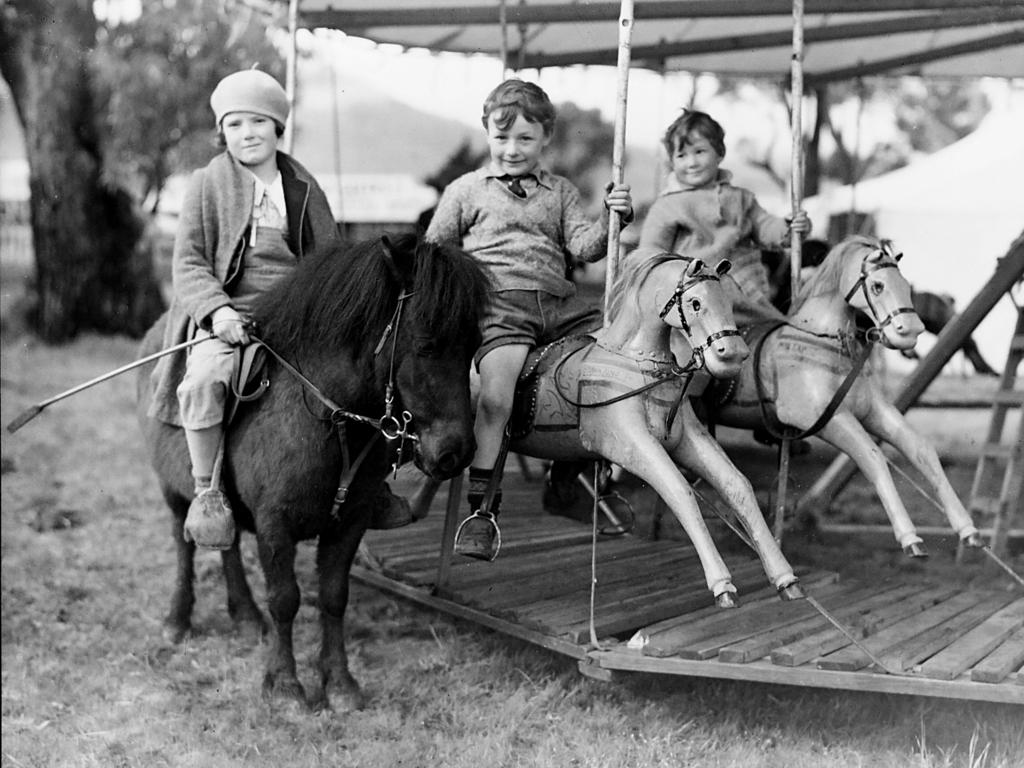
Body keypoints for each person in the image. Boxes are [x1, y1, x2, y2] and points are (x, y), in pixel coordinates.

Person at [147, 69, 407, 549]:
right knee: (204, 381)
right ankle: (208, 493)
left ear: (278, 128)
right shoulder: (207, 184)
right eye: (235, 125)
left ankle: (372, 485)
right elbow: (188, 263)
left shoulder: (303, 186)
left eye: (259, 123)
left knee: (370, 373)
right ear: (222, 131)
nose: (248, 134)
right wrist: (219, 314)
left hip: (298, 316)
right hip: (229, 313)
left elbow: (329, 259)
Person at [425, 78, 633, 561]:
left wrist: (610, 218)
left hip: (559, 308)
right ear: (486, 135)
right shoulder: (466, 191)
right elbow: (434, 251)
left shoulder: (559, 191)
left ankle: (572, 476)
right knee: (497, 397)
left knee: (605, 371)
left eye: (524, 138)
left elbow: (582, 246)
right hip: (498, 309)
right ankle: (480, 509)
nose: (512, 149)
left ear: (546, 138)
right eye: (502, 138)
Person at [638, 109, 811, 326]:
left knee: (777, 331)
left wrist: (789, 226)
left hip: (748, 295)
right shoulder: (667, 206)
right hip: (697, 297)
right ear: (672, 162)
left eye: (700, 152)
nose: (691, 163)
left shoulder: (740, 198)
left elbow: (765, 226)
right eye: (681, 155)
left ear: (719, 153)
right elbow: (650, 254)